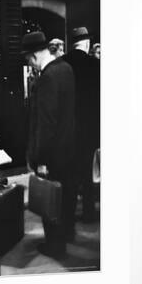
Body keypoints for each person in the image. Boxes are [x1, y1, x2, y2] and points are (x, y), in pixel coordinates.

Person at [22, 31, 76, 257]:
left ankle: (55, 246)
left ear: (34, 56)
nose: (30, 65)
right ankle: (67, 234)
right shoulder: (66, 69)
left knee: (50, 199)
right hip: (69, 147)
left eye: (28, 60)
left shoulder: (47, 78)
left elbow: (46, 124)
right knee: (66, 196)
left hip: (52, 153)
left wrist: (41, 159)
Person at [62, 27, 100, 222]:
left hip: (68, 129)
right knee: (87, 171)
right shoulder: (96, 65)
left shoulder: (62, 64)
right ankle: (88, 212)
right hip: (90, 129)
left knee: (69, 174)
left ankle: (68, 218)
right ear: (86, 44)